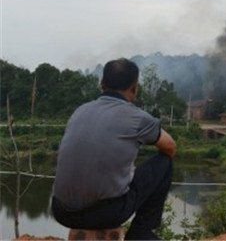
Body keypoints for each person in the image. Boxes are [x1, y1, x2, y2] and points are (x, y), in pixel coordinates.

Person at [51, 58, 177, 240]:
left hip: (62, 211)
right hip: (107, 214)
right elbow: (170, 147)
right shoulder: (137, 117)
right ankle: (141, 232)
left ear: (102, 84)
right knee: (164, 161)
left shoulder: (80, 111)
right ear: (134, 89)